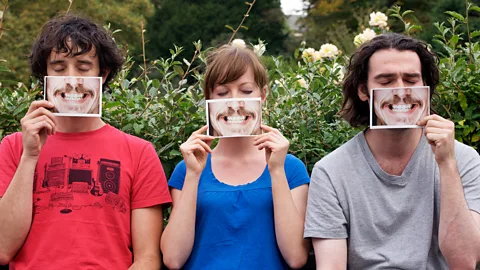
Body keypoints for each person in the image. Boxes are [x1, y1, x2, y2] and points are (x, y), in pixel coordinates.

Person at [0, 14, 171, 269]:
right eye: (58, 68)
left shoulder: (139, 152)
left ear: (102, 74)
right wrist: (30, 156)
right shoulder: (14, 147)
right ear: (45, 74)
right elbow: (3, 249)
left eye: (82, 67)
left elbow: (147, 258)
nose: (71, 79)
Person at [304, 33, 480, 269]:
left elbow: (465, 262)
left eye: (411, 80)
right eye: (386, 82)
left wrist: (447, 164)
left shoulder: (463, 160)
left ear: (426, 87)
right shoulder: (331, 171)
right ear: (363, 91)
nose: (400, 91)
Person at [161, 44, 311, 269]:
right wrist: (193, 174)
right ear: (208, 100)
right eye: (222, 93)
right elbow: (173, 259)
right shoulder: (188, 168)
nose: (235, 104)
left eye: (246, 91)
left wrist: (277, 171)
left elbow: (296, 257)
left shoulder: (290, 168)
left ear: (263, 95)